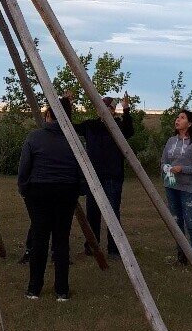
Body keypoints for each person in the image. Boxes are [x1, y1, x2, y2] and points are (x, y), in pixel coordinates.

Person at [17, 97, 79, 301]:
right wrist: (78, 190)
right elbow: (83, 169)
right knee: (61, 240)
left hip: (39, 192)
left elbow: (24, 168)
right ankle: (61, 290)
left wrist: (25, 189)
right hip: (66, 192)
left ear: (49, 115)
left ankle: (34, 288)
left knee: (39, 239)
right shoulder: (75, 140)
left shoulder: (35, 138)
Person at [73, 94, 134, 259]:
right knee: (92, 213)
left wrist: (126, 108)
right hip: (93, 177)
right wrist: (67, 104)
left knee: (113, 213)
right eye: (101, 107)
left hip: (113, 176)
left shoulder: (119, 127)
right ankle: (91, 247)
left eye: (108, 107)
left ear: (114, 110)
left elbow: (130, 130)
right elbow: (70, 127)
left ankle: (115, 250)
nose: (105, 110)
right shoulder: (90, 125)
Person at [161, 108, 192, 263]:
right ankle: (182, 255)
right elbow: (163, 162)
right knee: (176, 222)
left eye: (182, 117)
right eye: (177, 117)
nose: (177, 120)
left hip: (188, 188)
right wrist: (166, 169)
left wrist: (183, 169)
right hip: (171, 186)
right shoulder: (171, 141)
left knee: (191, 223)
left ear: (190, 123)